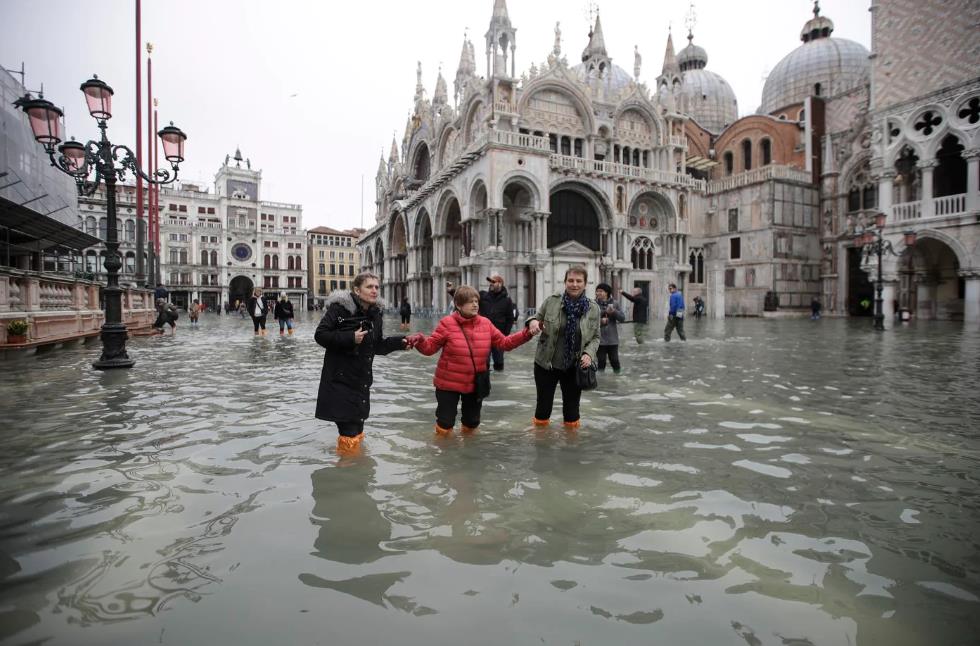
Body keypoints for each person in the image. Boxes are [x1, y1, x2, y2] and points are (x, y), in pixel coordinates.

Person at [408, 286, 536, 436]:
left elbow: (505, 343)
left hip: (475, 383)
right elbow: (430, 348)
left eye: (476, 301)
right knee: (445, 423)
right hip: (448, 384)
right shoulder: (446, 323)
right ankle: (443, 454)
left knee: (472, 423)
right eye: (470, 302)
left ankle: (468, 454)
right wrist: (420, 340)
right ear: (458, 305)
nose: (475, 304)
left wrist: (527, 333)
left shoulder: (485, 323)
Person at [315, 271, 413, 454]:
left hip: (361, 383)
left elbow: (377, 346)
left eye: (377, 287)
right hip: (340, 382)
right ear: (357, 290)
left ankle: (355, 475)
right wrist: (350, 337)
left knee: (357, 432)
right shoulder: (339, 309)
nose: (375, 290)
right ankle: (349, 474)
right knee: (350, 434)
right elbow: (320, 335)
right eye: (369, 287)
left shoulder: (375, 313)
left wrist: (401, 343)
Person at [526, 266, 601, 429]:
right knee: (543, 409)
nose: (574, 284)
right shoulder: (552, 301)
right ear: (565, 282)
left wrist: (588, 354)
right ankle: (541, 445)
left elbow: (595, 337)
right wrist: (532, 322)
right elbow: (535, 317)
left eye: (579, 281)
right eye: (571, 280)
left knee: (572, 412)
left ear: (585, 283)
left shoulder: (593, 308)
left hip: (574, 366)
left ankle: (571, 448)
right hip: (546, 364)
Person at [479, 274, 516, 371]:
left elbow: (510, 318)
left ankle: (499, 381)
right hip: (483, 336)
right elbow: (467, 297)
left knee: (499, 363)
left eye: (493, 282)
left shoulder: (507, 300)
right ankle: (485, 383)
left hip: (498, 337)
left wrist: (505, 335)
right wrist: (452, 291)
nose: (490, 284)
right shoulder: (482, 296)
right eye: (490, 282)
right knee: (483, 363)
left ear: (500, 284)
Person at [595, 283, 625, 374]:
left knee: (615, 361)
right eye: (597, 291)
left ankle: (617, 378)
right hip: (599, 339)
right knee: (601, 361)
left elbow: (622, 318)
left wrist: (614, 312)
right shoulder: (593, 304)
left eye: (601, 291)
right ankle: (601, 382)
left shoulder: (615, 303)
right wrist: (603, 316)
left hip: (613, 339)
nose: (598, 293)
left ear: (607, 292)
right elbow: (590, 320)